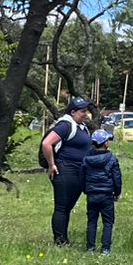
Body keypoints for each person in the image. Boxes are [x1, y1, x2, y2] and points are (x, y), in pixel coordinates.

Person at [41, 96, 94, 246]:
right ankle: (60, 241)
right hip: (65, 170)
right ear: (73, 112)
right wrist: (52, 164)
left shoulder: (81, 126)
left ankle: (63, 237)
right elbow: (47, 143)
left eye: (86, 110)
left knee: (68, 207)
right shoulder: (65, 125)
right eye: (82, 111)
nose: (86, 113)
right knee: (62, 207)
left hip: (78, 171)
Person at [84, 129, 123, 254]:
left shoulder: (86, 159)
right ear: (106, 143)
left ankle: (90, 247)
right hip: (106, 195)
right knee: (108, 222)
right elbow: (117, 178)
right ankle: (105, 249)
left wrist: (86, 190)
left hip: (91, 194)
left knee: (91, 221)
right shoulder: (112, 159)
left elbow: (82, 177)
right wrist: (117, 193)